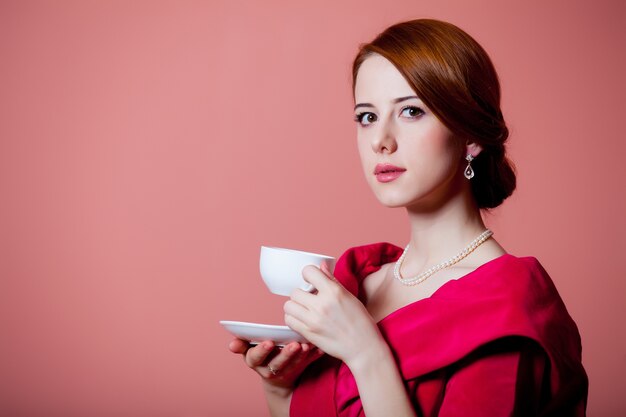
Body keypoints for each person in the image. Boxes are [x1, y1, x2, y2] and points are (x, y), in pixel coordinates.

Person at [228, 18, 588, 416]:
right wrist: (279, 389)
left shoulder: (506, 306)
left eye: (411, 111)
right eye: (366, 117)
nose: (381, 139)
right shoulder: (357, 281)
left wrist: (366, 353)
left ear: (471, 136)